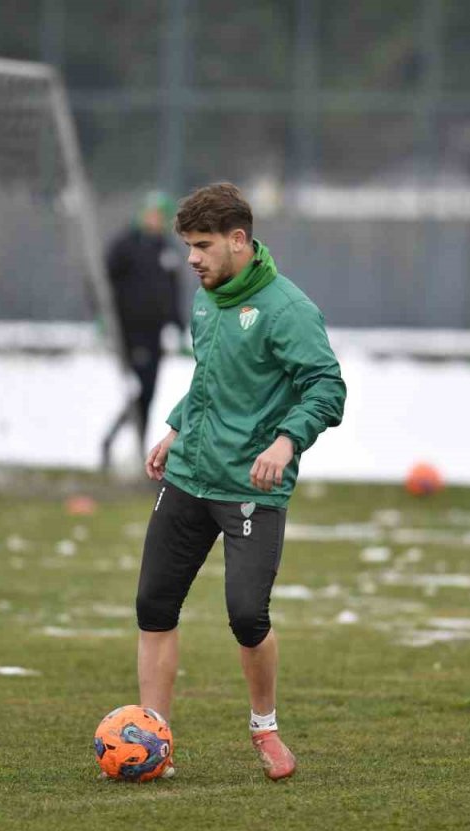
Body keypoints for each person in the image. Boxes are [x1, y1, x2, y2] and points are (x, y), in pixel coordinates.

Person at [136, 182, 346, 780]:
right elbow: (211, 378)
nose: (192, 259)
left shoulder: (287, 310)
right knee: (153, 605)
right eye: (186, 247)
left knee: (247, 616)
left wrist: (285, 440)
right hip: (188, 476)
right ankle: (153, 740)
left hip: (250, 487)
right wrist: (176, 429)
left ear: (239, 240)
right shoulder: (206, 298)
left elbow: (327, 388)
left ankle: (265, 729)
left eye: (202, 245)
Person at [100, 191, 186, 470]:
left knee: (148, 393)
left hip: (155, 333)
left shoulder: (167, 249)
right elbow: (102, 282)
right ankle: (115, 441)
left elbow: (173, 292)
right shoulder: (125, 246)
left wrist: (179, 325)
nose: (155, 220)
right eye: (151, 214)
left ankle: (137, 448)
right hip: (130, 331)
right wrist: (104, 319)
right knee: (140, 388)